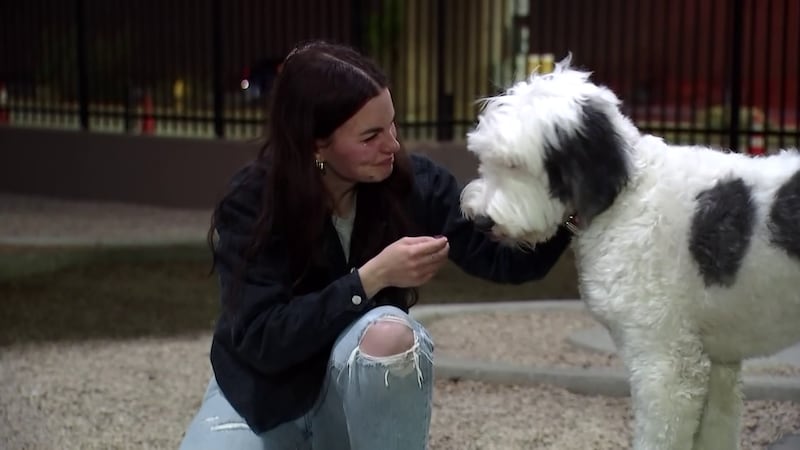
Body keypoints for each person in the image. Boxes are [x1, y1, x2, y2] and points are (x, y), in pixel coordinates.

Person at [178, 40, 573, 450]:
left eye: (392, 125)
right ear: (316, 143)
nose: (392, 145)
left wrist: (568, 206)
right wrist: (370, 278)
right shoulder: (254, 200)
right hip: (261, 400)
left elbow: (504, 262)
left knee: (388, 334)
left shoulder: (413, 184)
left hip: (349, 402)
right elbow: (263, 339)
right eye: (370, 136)